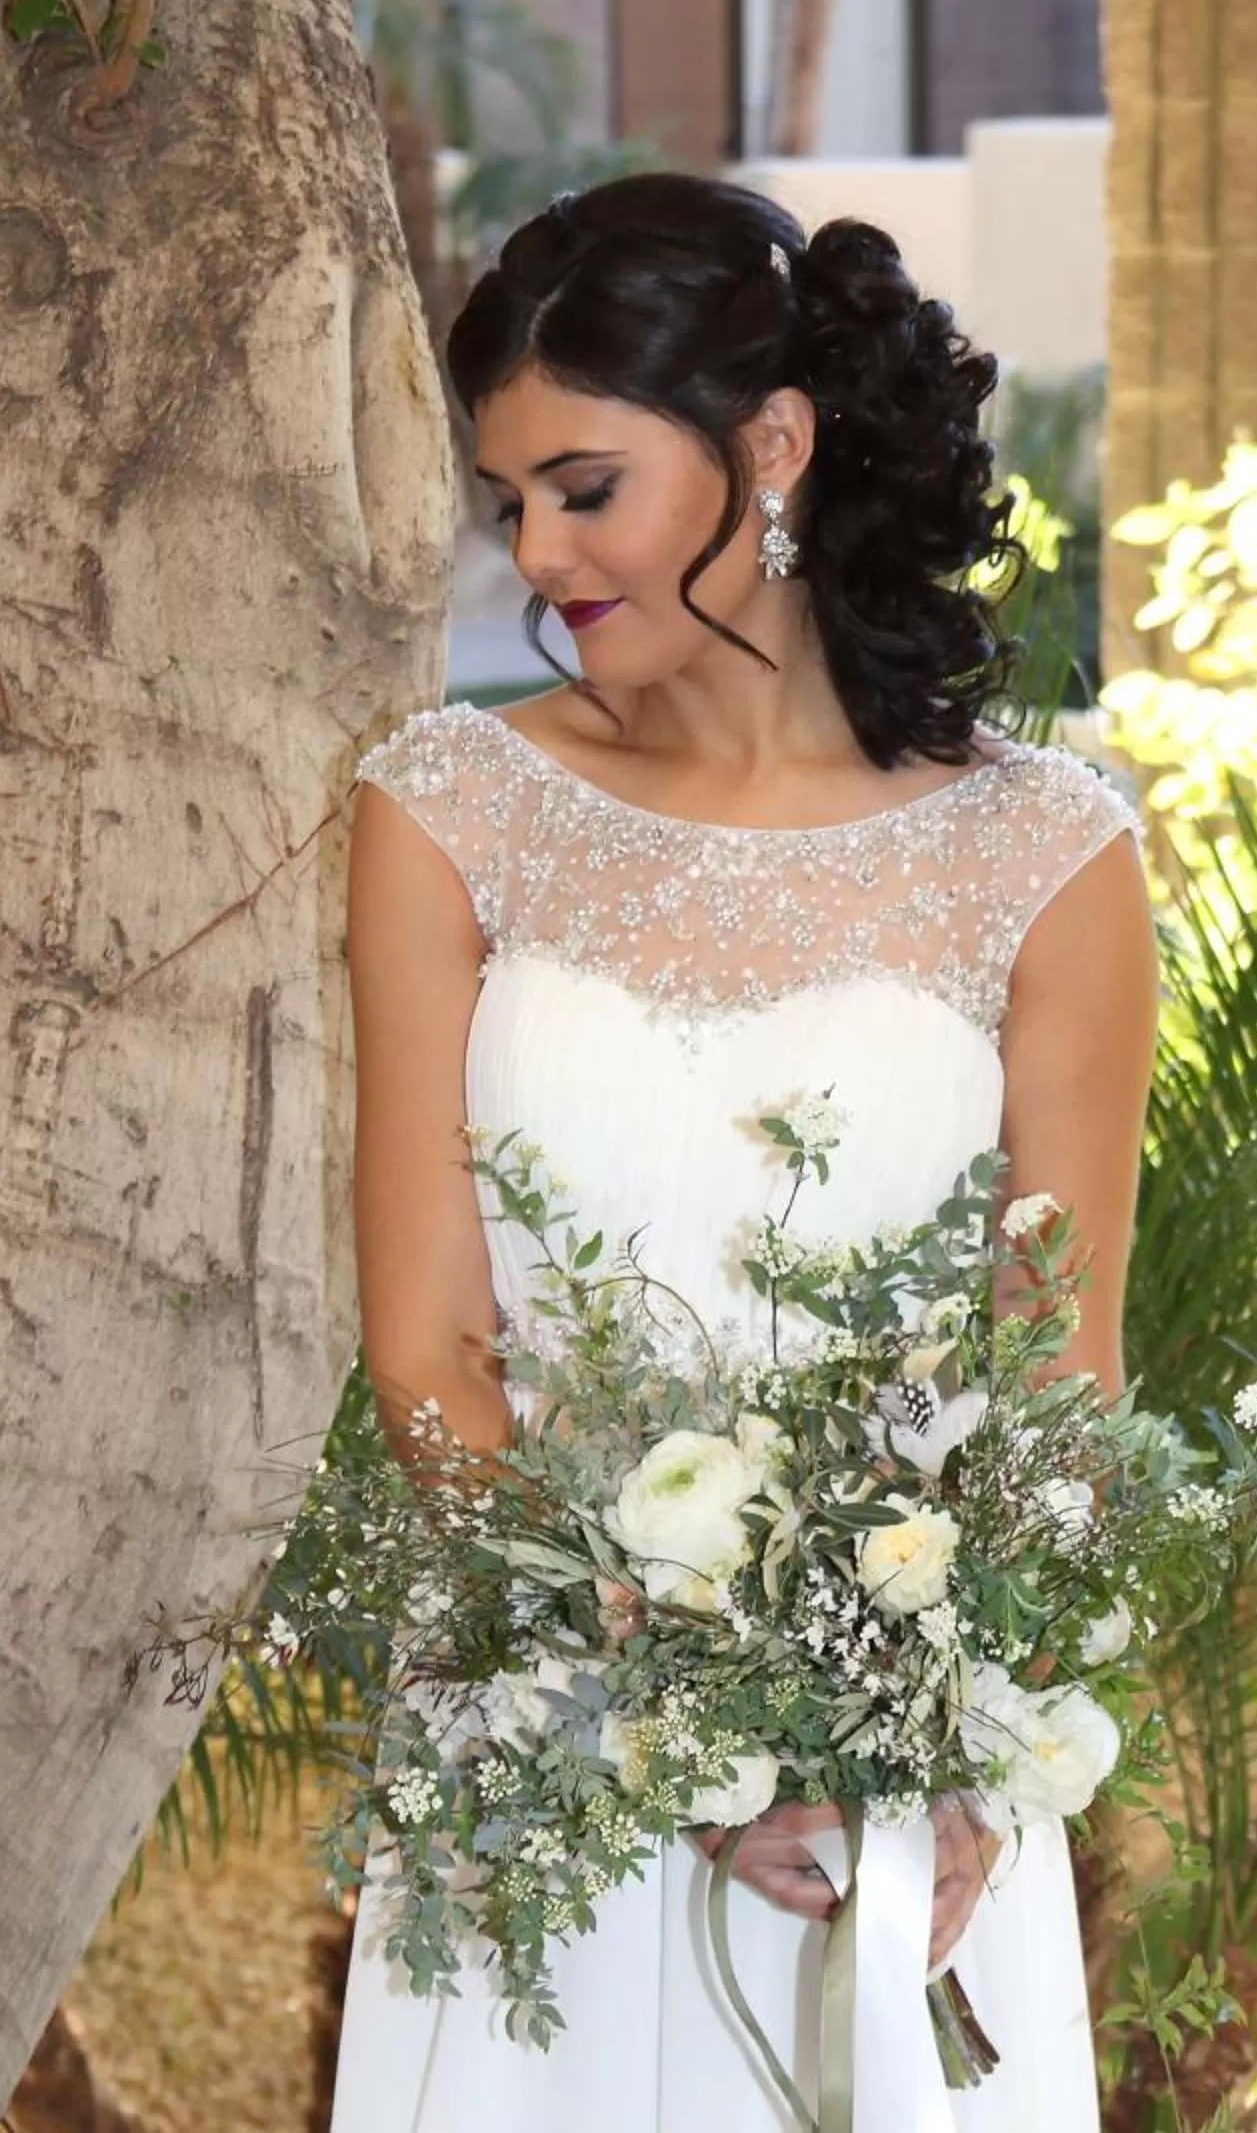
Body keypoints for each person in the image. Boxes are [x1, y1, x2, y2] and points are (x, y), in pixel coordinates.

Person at [330, 170, 1157, 2131]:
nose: (535, 550)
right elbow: (429, 1355)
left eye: (583, 487)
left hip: (909, 1815)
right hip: (544, 1766)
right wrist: (675, 1735)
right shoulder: (448, 811)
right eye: (507, 500)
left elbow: (1062, 1378)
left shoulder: (1048, 856)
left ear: (768, 448)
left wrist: (967, 1747)